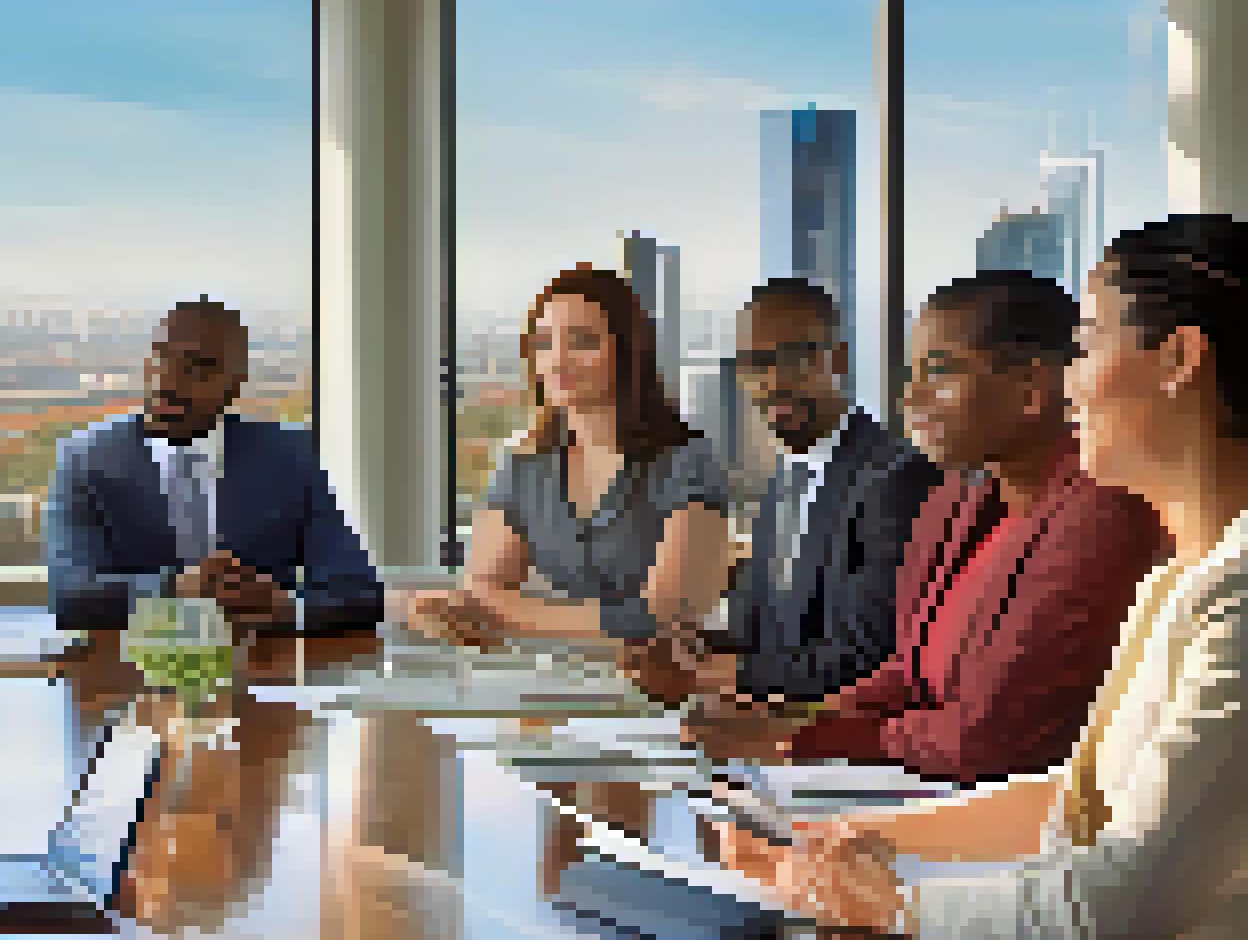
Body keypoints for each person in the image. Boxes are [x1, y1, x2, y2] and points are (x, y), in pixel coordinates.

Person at [722, 215, 1248, 940]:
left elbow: (1109, 906)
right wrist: (865, 840)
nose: (1069, 387)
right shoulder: (1177, 582)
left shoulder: (1236, 598)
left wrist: (889, 905)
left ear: (1181, 359)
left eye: (1087, 346)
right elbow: (1076, 803)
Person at [690, 271, 1169, 781]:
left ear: (1032, 388)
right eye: (910, 374)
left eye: (939, 373)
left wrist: (802, 737)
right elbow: (907, 672)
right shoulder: (957, 499)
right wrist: (796, 718)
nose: (911, 398)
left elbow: (987, 736)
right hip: (924, 781)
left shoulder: (1101, 512)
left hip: (1015, 818)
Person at [623, 278, 943, 709]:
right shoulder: (784, 479)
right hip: (768, 728)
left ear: (840, 360)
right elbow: (767, 629)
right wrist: (688, 644)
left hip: (842, 748)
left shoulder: (895, 477)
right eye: (755, 364)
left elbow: (866, 656)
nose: (774, 382)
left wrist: (709, 674)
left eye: (796, 358)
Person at [408, 264, 731, 655]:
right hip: (551, 683)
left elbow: (664, 620)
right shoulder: (526, 462)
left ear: (628, 351)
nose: (558, 361)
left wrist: (509, 612)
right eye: (544, 342)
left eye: (582, 341)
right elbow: (479, 594)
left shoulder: (688, 462)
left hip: (660, 693)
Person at [45, 297, 382, 634]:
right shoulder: (86, 460)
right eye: (161, 357)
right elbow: (71, 597)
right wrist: (176, 590)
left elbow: (359, 591)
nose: (168, 380)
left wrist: (286, 607)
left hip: (259, 670)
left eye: (197, 367)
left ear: (233, 385)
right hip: (130, 673)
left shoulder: (288, 455)